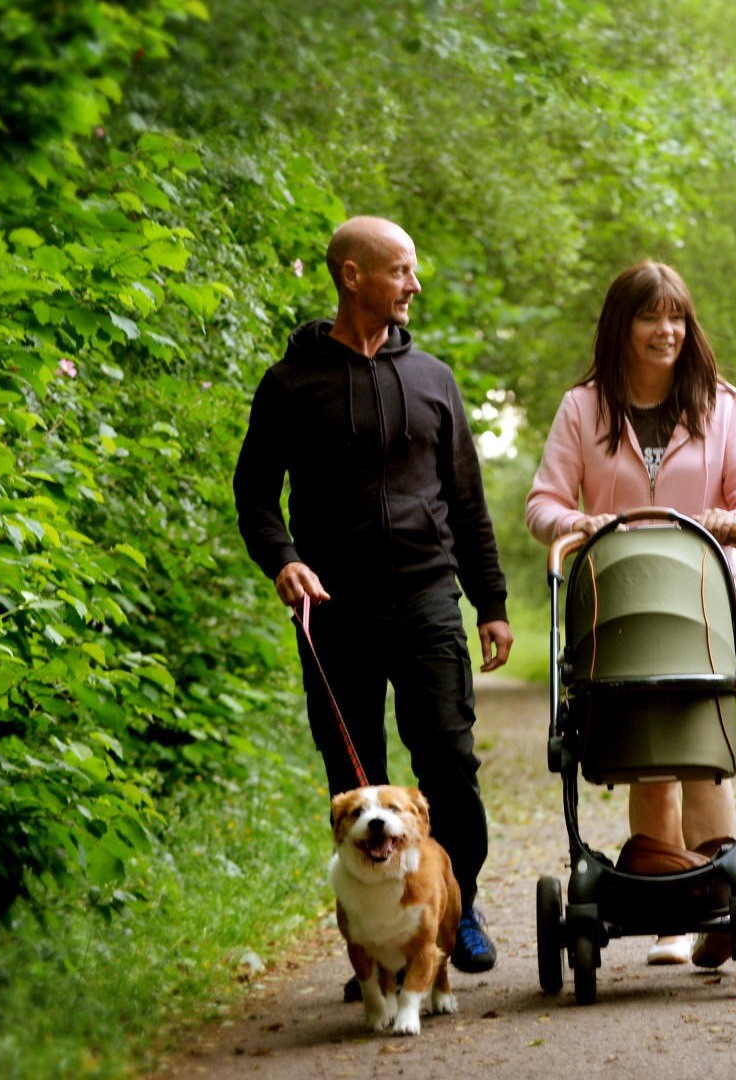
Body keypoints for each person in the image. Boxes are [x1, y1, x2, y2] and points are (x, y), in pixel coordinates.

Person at [233, 216, 514, 992]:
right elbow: (255, 497)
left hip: (427, 597)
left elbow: (466, 498)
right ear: (352, 276)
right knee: (355, 779)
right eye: (400, 272)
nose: (414, 285)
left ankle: (456, 913)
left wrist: (489, 601)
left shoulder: (432, 379)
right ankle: (375, 950)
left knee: (450, 767)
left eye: (413, 271)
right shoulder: (291, 385)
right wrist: (284, 561)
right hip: (336, 612)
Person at [526, 260, 736, 968]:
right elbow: (543, 503)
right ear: (621, 326)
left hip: (703, 595)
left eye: (675, 317)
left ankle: (721, 904)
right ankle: (671, 917)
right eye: (649, 317)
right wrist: (582, 522)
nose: (665, 331)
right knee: (648, 754)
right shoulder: (584, 408)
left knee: (705, 750)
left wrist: (734, 518)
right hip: (620, 598)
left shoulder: (721, 405)